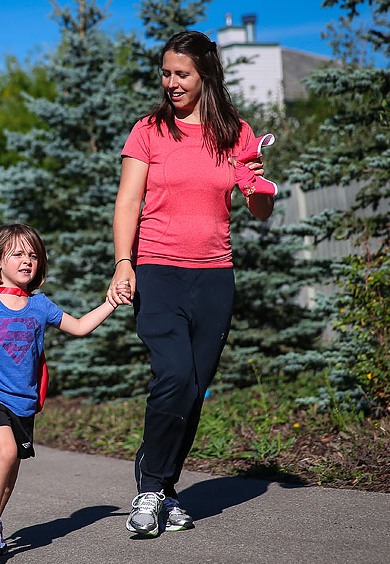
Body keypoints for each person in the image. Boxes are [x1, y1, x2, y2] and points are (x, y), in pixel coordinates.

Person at [106, 31, 274, 536]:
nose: (171, 83)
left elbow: (259, 210)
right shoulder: (150, 131)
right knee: (174, 375)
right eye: (166, 73)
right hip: (157, 271)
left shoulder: (236, 134)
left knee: (193, 389)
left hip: (215, 279)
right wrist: (122, 262)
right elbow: (127, 203)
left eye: (182, 74)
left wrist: (261, 183)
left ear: (205, 76)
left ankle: (166, 489)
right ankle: (150, 489)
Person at [0, 223, 126, 555]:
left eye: (33, 254)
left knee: (12, 469)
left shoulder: (40, 306)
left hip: (23, 402)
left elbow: (80, 327)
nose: (27, 260)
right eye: (17, 254)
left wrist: (111, 303)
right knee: (7, 451)